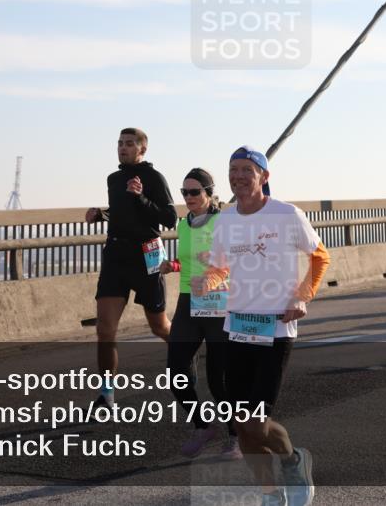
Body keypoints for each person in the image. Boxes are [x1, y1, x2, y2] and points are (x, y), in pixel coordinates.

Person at [196, 146, 330, 506]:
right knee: (242, 426)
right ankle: (271, 494)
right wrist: (209, 281)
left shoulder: (287, 215)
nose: (238, 176)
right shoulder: (224, 220)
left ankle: (292, 461)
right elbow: (221, 266)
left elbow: (320, 256)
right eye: (233, 170)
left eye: (246, 170)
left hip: (275, 331)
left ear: (263, 177)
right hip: (236, 328)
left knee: (255, 423)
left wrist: (302, 296)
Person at [85, 128, 177, 407]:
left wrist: (141, 197)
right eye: (119, 144)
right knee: (104, 329)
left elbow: (169, 218)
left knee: (159, 327)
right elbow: (122, 212)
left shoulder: (153, 177)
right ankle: (107, 395)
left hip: (146, 254)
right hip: (116, 254)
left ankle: (184, 356)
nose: (122, 148)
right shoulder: (114, 179)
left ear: (142, 150)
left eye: (128, 144)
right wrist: (101, 214)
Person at [160, 168, 240, 460]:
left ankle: (235, 436)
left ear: (209, 193)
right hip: (188, 301)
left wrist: (212, 276)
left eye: (195, 192)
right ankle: (203, 426)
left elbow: (232, 260)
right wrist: (174, 266)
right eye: (184, 192)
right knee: (175, 374)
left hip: (219, 302)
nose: (189, 197)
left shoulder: (224, 223)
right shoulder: (183, 225)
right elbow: (187, 260)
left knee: (218, 380)